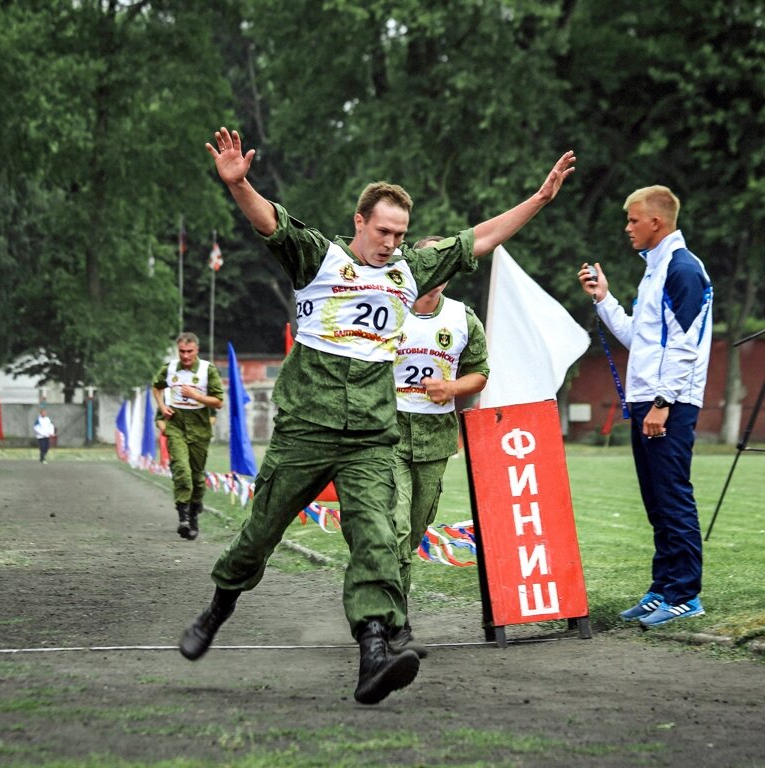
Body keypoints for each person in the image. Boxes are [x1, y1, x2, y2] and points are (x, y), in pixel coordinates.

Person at [179, 126, 575, 705]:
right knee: (258, 534)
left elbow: (480, 238)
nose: (391, 242)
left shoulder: (411, 270)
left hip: (369, 436)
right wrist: (240, 185)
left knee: (376, 539)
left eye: (401, 234)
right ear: (361, 221)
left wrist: (538, 200)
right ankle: (217, 609)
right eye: (383, 230)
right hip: (305, 432)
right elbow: (269, 220)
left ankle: (372, 651)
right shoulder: (319, 256)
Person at [578, 185, 712, 628]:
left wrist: (661, 403)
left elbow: (686, 347)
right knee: (657, 502)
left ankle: (686, 594)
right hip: (648, 402)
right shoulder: (654, 270)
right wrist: (604, 298)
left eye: (633, 220)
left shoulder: (683, 268)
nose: (627, 227)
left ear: (657, 222)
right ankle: (662, 588)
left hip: (667, 404)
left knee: (673, 498)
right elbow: (640, 338)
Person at [389, 236, 489, 657]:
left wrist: (451, 387)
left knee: (413, 528)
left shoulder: (463, 318)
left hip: (435, 438)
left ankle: (382, 592)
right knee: (395, 526)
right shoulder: (389, 309)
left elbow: (480, 373)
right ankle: (394, 619)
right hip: (386, 433)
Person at [152, 332, 224, 540]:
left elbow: (218, 401)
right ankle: (183, 518)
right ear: (178, 350)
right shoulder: (170, 368)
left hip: (200, 428)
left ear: (197, 350)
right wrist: (162, 407)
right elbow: (156, 387)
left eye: (189, 352)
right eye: (182, 351)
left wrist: (197, 396)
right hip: (176, 426)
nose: (185, 356)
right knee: (181, 469)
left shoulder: (206, 370)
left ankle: (194, 514)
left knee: (197, 477)